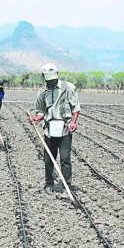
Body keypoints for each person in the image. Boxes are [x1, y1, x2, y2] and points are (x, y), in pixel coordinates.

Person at [27, 63, 80, 193]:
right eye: (48, 79)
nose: (51, 81)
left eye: (53, 78)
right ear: (43, 77)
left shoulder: (68, 88)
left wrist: (73, 122)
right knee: (48, 158)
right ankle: (49, 183)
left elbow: (76, 108)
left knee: (65, 158)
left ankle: (66, 185)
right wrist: (36, 119)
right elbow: (41, 111)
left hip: (65, 128)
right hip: (49, 129)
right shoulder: (42, 92)